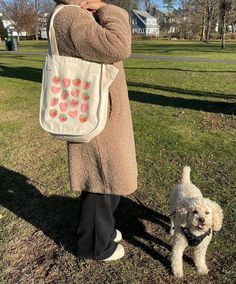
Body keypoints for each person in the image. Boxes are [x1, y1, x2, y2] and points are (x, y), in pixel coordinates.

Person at [49, 0, 138, 261]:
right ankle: (95, 246)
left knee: (108, 178)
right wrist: (107, 9)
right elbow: (118, 46)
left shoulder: (76, 15)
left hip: (98, 108)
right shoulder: (70, 17)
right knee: (100, 178)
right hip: (94, 112)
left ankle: (104, 231)